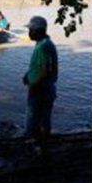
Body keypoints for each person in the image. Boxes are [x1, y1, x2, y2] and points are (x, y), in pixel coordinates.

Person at [22, 16, 58, 153]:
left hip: (40, 89)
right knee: (43, 117)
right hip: (46, 88)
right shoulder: (43, 43)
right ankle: (42, 144)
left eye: (30, 30)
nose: (29, 33)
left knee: (33, 118)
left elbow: (43, 70)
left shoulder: (44, 46)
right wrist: (28, 75)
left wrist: (33, 83)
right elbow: (38, 66)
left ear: (38, 30)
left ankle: (35, 145)